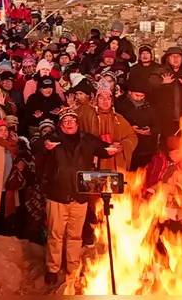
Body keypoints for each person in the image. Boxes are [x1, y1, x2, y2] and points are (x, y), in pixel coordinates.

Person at [40, 106, 121, 286]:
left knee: (75, 235)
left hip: (80, 195)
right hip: (57, 194)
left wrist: (111, 149)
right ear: (60, 125)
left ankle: (73, 267)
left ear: (77, 123)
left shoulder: (87, 139)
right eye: (65, 121)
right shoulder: (52, 139)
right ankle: (52, 268)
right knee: (55, 234)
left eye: (72, 120)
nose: (69, 124)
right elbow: (39, 146)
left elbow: (103, 149)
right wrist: (45, 145)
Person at [115, 78, 160, 170]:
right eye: (136, 95)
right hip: (127, 148)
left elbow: (159, 125)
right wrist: (129, 130)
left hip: (146, 149)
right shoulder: (119, 104)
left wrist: (150, 131)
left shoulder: (151, 105)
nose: (139, 98)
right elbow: (115, 123)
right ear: (129, 92)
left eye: (142, 96)